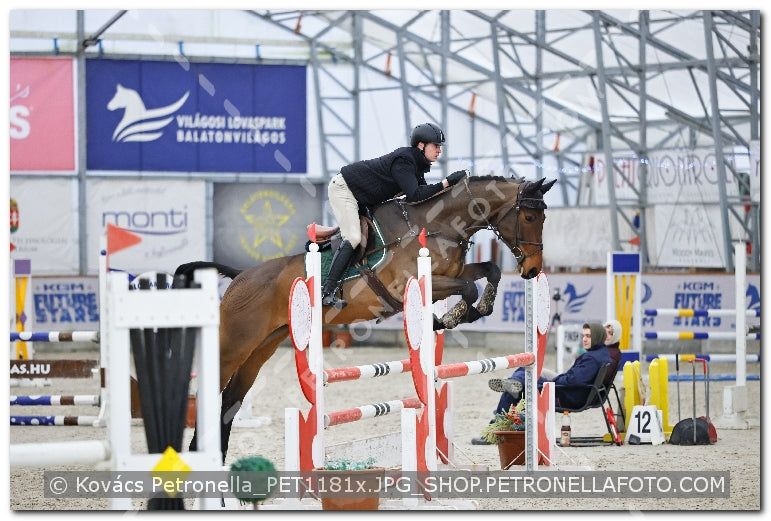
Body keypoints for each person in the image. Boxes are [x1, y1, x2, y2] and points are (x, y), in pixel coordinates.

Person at [322, 122, 469, 309]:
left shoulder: (417, 164)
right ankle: (326, 291)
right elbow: (415, 195)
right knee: (352, 237)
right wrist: (447, 182)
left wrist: (453, 188)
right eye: (436, 145)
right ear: (421, 145)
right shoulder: (404, 160)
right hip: (345, 190)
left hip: (362, 198)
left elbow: (423, 197)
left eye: (440, 146)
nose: (439, 150)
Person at [471, 322, 610, 445]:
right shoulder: (601, 354)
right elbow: (574, 379)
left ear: (597, 336)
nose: (584, 339)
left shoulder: (591, 359)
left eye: (588, 336)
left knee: (519, 385)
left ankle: (494, 429)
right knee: (525, 376)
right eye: (584, 335)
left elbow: (573, 381)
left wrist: (552, 382)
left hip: (566, 396)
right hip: (572, 394)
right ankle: (513, 388)